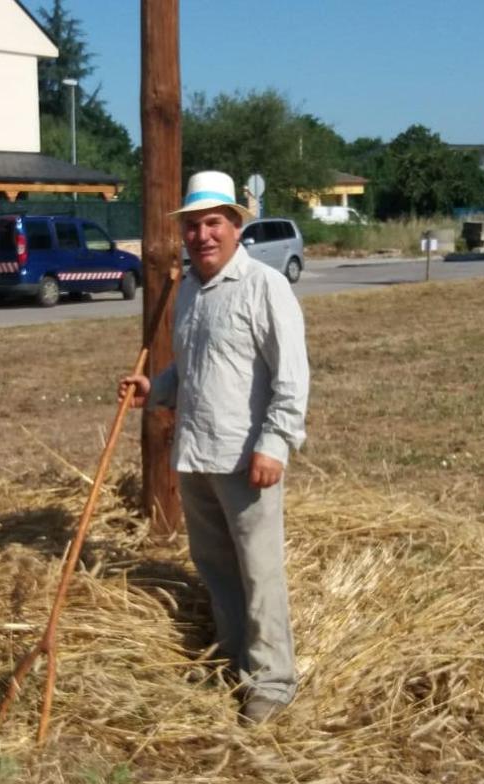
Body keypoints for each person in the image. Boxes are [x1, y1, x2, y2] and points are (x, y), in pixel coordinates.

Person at [119, 171, 310, 726]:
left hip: (247, 460)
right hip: (197, 453)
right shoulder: (189, 294)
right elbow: (194, 366)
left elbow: (292, 376)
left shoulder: (265, 287)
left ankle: (272, 681)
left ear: (235, 225)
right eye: (194, 226)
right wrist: (157, 387)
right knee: (215, 565)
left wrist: (274, 443)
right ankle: (233, 658)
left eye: (213, 223)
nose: (202, 235)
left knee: (259, 571)